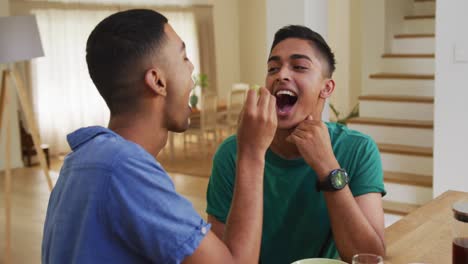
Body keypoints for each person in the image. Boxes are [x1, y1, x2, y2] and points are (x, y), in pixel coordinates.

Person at [41, 9, 277, 264]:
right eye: (185, 58)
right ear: (157, 81)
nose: (192, 69)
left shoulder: (80, 161)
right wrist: (252, 153)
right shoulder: (124, 169)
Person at [206, 25, 387, 263]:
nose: (281, 75)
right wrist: (250, 154)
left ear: (326, 88)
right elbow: (222, 257)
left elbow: (370, 256)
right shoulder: (232, 153)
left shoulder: (358, 149)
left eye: (299, 67)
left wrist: (328, 168)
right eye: (273, 68)